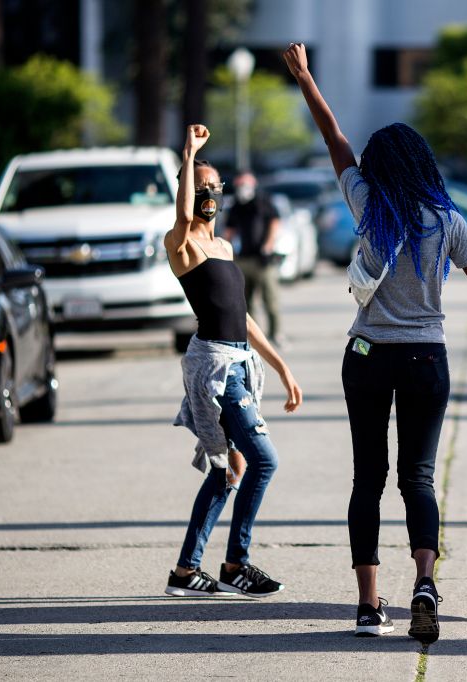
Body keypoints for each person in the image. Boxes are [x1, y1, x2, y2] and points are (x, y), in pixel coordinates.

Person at [284, 43, 467, 643]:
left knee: (368, 478)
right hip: (425, 360)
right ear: (423, 162)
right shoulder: (449, 221)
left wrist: (307, 78)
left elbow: (335, 138)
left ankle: (366, 605)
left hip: (366, 357)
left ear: (379, 166)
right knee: (419, 478)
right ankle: (423, 583)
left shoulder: (367, 206)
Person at [165, 124, 303, 598]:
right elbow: (185, 215)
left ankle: (185, 572)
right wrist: (188, 155)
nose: (208, 194)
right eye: (200, 187)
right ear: (186, 189)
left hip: (241, 362)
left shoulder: (224, 247)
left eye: (213, 187)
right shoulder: (182, 245)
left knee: (232, 470)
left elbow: (242, 318)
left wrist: (282, 368)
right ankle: (236, 563)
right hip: (214, 369)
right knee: (263, 462)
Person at [223, 171, 285, 345]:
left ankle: (276, 333)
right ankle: (253, 337)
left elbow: (275, 222)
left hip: (263, 260)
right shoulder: (236, 205)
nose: (242, 189)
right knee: (246, 303)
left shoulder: (263, 201)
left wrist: (269, 244)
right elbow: (229, 230)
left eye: (245, 185)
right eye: (239, 185)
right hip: (243, 259)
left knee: (270, 300)